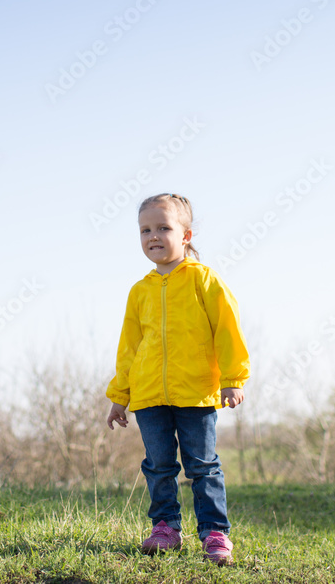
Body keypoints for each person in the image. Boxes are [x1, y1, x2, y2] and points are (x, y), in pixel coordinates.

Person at [106, 192, 250, 565]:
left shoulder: (205, 280)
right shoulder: (139, 292)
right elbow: (130, 347)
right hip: (150, 396)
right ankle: (165, 527)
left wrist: (233, 378)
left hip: (196, 393)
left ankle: (214, 532)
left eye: (163, 228)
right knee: (158, 466)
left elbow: (226, 329)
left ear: (185, 235)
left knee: (202, 465)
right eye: (145, 230)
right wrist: (120, 394)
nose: (152, 236)